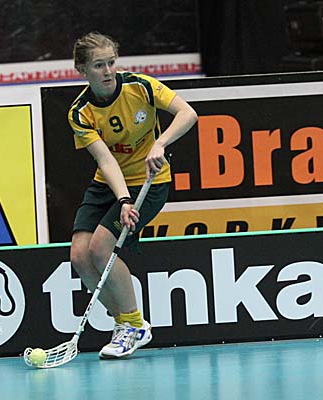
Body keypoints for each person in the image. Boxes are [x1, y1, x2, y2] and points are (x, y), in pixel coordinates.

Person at [67, 32, 198, 359]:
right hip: (109, 183)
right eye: (99, 65)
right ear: (82, 70)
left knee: (101, 247)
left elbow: (188, 113)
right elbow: (106, 160)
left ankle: (133, 325)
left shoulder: (140, 86)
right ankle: (126, 323)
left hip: (150, 182)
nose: (108, 71)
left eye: (111, 62)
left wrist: (160, 143)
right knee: (80, 256)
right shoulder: (80, 112)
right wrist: (123, 200)